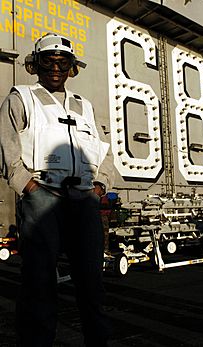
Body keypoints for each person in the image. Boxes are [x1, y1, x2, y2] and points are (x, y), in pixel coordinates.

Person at [0, 33, 115, 347]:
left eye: (63, 62)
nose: (55, 68)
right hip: (43, 200)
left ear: (72, 68)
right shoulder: (21, 98)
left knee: (92, 283)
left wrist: (100, 186)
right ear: (35, 65)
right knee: (39, 283)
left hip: (84, 202)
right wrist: (30, 188)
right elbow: (8, 151)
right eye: (48, 61)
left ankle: (98, 341)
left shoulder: (85, 107)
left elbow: (105, 153)